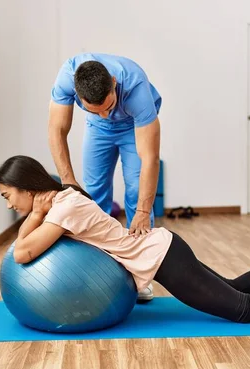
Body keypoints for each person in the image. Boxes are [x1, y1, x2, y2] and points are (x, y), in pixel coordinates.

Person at [0, 155, 250, 325]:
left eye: (8, 195)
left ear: (27, 187)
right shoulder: (64, 198)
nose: (10, 204)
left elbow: (23, 253)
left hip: (160, 259)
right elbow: (24, 247)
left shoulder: (60, 209)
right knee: (236, 288)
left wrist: (37, 214)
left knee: (243, 310)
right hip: (162, 248)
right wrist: (37, 211)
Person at [48, 53, 162, 301]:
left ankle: (140, 275)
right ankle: (97, 270)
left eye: (108, 107)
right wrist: (68, 181)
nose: (104, 114)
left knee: (135, 194)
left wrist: (143, 211)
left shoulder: (136, 88)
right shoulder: (68, 76)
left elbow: (150, 159)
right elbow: (56, 130)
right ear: (79, 95)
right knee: (93, 194)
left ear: (113, 82)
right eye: (94, 109)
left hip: (133, 126)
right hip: (97, 132)